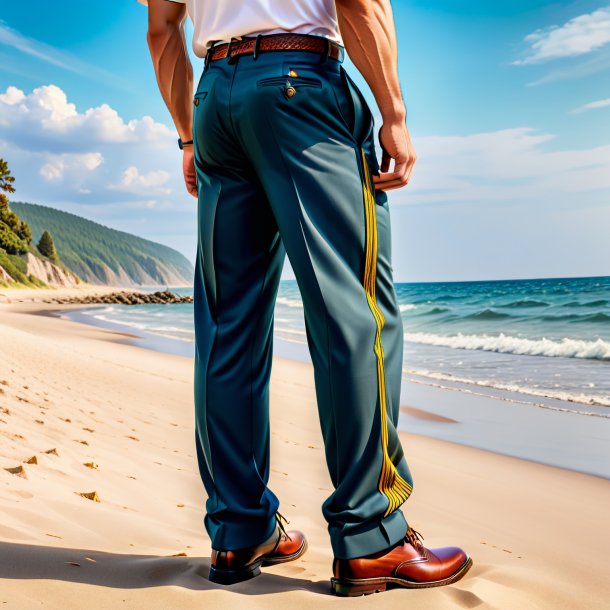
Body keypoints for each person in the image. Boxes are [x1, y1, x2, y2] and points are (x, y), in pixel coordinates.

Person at [140, 0, 472, 596]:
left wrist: (189, 137)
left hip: (216, 98)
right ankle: (373, 538)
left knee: (226, 325)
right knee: (353, 311)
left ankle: (240, 530)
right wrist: (393, 110)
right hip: (300, 87)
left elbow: (163, 29)